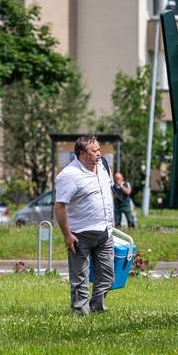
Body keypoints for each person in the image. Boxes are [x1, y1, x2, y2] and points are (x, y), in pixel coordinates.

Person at [54, 135, 116, 315]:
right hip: (80, 233)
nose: (99, 153)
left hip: (105, 231)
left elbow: (108, 192)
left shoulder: (103, 166)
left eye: (99, 149)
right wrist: (67, 235)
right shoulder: (69, 175)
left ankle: (97, 307)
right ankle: (80, 311)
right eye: (94, 151)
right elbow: (60, 206)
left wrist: (111, 220)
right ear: (81, 153)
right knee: (80, 278)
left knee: (107, 275)